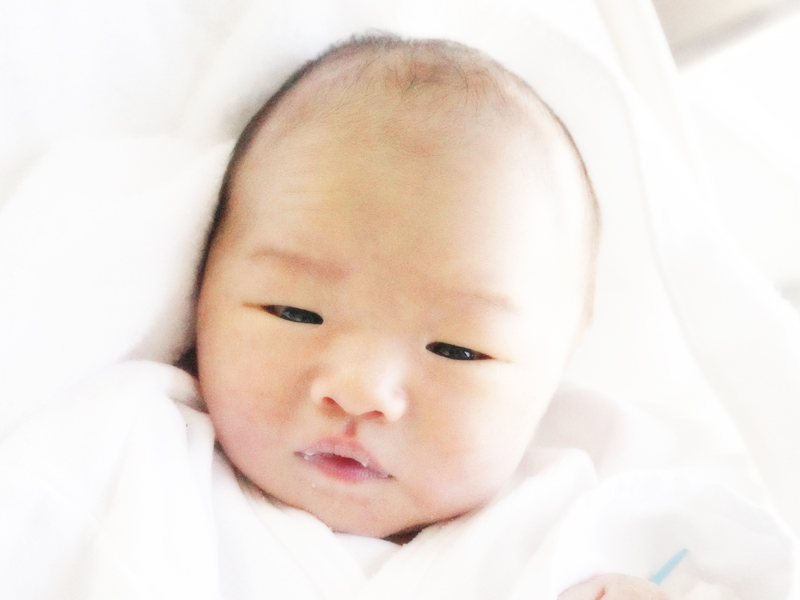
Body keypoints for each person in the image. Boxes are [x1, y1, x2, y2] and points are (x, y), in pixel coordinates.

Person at [0, 34, 789, 599]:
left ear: (553, 373)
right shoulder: (126, 458)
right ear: (199, 296)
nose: (360, 389)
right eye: (294, 311)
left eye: (457, 349)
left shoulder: (594, 523)